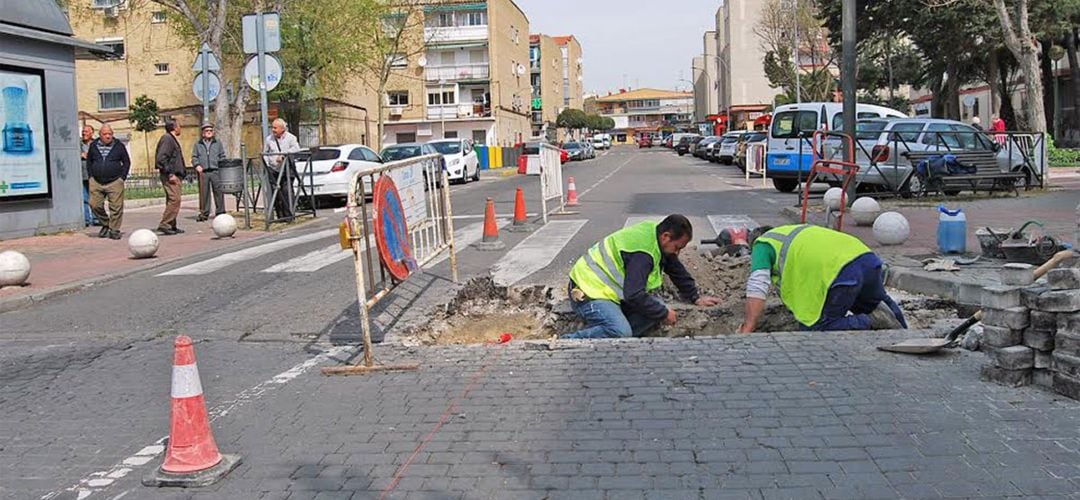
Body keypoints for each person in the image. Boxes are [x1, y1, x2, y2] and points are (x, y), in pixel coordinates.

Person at [562, 215, 721, 339]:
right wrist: (664, 314)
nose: (677, 253)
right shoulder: (643, 255)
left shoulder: (655, 234)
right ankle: (568, 342)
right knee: (621, 331)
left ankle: (616, 337)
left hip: (608, 291)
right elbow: (634, 294)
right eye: (677, 247)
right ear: (666, 236)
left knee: (655, 308)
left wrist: (695, 297)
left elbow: (674, 267)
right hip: (587, 290)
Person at [738, 224, 907, 333]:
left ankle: (870, 320)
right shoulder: (793, 231)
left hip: (840, 272)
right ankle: (905, 334)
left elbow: (757, 286)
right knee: (878, 302)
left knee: (819, 328)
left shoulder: (763, 243)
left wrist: (749, 327)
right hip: (866, 258)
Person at [86, 124, 130, 240]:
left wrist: (122, 178)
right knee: (94, 204)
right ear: (100, 135)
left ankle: (114, 229)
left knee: (116, 207)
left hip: (115, 181)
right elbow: (89, 161)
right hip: (96, 181)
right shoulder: (94, 145)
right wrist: (91, 176)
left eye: (110, 134)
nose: (108, 136)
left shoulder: (119, 146)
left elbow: (126, 162)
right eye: (105, 134)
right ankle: (106, 223)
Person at [263, 118, 301, 219]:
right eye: (272, 127)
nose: (273, 130)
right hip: (273, 170)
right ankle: (279, 216)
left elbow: (296, 148)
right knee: (275, 193)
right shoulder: (269, 139)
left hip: (287, 170)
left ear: (282, 129)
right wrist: (267, 165)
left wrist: (284, 155)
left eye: (275, 128)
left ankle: (289, 215)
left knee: (286, 192)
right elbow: (265, 153)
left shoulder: (291, 138)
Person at [155, 120, 187, 235]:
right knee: (175, 199)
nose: (180, 128)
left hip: (176, 174)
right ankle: (165, 224)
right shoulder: (167, 139)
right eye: (179, 126)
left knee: (172, 200)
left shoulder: (171, 139)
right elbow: (161, 159)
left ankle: (172, 225)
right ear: (174, 127)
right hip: (170, 175)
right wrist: (170, 174)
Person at [191, 122, 227, 221]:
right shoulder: (198, 144)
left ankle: (220, 212)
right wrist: (197, 165)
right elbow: (194, 157)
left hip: (215, 171)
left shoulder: (217, 143)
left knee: (218, 192)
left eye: (211, 131)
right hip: (203, 172)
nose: (209, 132)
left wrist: (220, 163)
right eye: (207, 131)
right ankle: (204, 213)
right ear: (203, 133)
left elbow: (222, 155)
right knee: (204, 193)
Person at [79, 124, 100, 227]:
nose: (84, 133)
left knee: (96, 198)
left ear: (92, 133)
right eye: (83, 131)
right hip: (82, 175)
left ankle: (96, 219)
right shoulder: (78, 144)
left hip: (94, 175)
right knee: (85, 198)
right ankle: (87, 220)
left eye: (86, 131)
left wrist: (88, 156)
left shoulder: (96, 144)